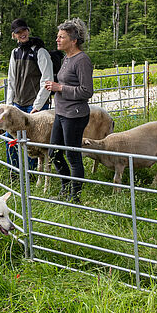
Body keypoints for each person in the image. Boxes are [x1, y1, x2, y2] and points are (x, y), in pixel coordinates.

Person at [44, 19, 95, 200]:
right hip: (62, 112)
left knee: (72, 155)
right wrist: (54, 85)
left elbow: (87, 91)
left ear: (73, 40)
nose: (57, 40)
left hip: (75, 115)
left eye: (61, 37)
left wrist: (60, 88)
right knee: (54, 152)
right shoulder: (67, 58)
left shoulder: (82, 60)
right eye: (58, 36)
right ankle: (65, 189)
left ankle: (75, 197)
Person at [5, 18, 54, 173]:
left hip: (34, 104)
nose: (22, 34)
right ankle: (14, 171)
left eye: (24, 30)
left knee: (34, 142)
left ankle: (31, 174)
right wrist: (8, 105)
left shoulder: (40, 52)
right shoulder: (14, 53)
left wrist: (37, 106)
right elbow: (11, 80)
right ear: (14, 35)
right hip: (17, 104)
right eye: (18, 32)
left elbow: (47, 80)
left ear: (28, 30)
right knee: (10, 138)